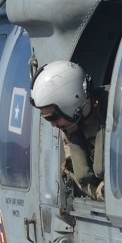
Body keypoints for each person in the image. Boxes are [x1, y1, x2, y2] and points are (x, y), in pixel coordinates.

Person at [30, 60, 106, 200]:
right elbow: (81, 180)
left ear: (72, 102)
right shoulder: (70, 132)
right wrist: (102, 191)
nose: (53, 125)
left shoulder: (116, 116)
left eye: (53, 117)